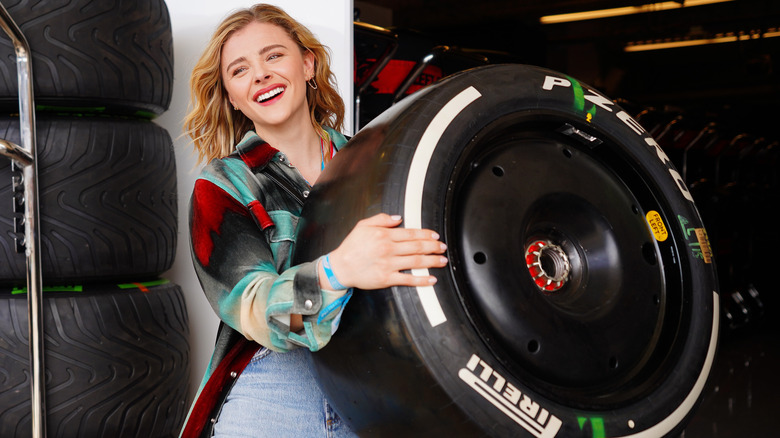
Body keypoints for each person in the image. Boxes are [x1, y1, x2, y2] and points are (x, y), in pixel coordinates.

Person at [179, 4, 448, 437]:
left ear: (307, 64)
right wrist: (339, 270)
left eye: (273, 56)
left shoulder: (378, 160)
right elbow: (268, 319)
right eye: (240, 69)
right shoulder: (223, 187)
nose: (261, 75)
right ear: (232, 95)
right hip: (280, 389)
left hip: (384, 382)